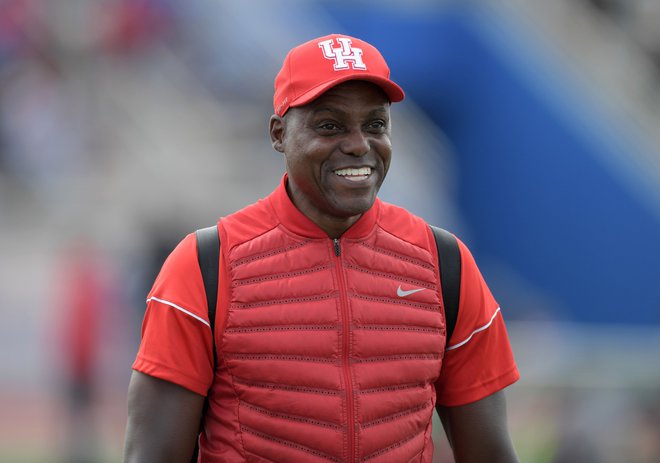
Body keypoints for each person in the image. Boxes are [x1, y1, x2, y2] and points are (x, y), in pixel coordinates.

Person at [123, 33, 520, 463]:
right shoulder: (204, 264)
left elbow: (492, 453)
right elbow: (152, 455)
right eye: (329, 125)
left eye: (375, 124)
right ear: (278, 134)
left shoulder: (445, 263)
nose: (358, 144)